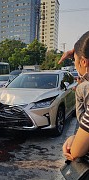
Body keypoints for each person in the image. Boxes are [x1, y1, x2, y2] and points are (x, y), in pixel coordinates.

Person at [61, 31, 89, 161]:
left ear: (84, 62)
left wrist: (75, 138)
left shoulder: (83, 88)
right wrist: (77, 50)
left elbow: (76, 151)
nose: (75, 65)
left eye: (75, 61)